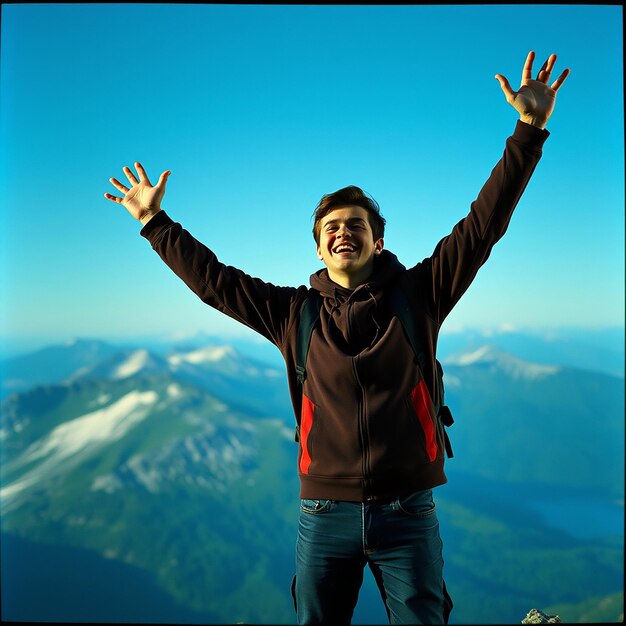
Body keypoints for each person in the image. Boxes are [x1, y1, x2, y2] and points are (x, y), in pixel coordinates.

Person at [104, 51, 569, 625]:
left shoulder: (419, 296)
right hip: (323, 513)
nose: (343, 233)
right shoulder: (292, 313)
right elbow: (214, 284)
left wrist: (528, 131)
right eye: (331, 229)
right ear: (319, 249)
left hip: (408, 510)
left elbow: (483, 226)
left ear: (377, 241)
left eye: (356, 226)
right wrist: (155, 224)